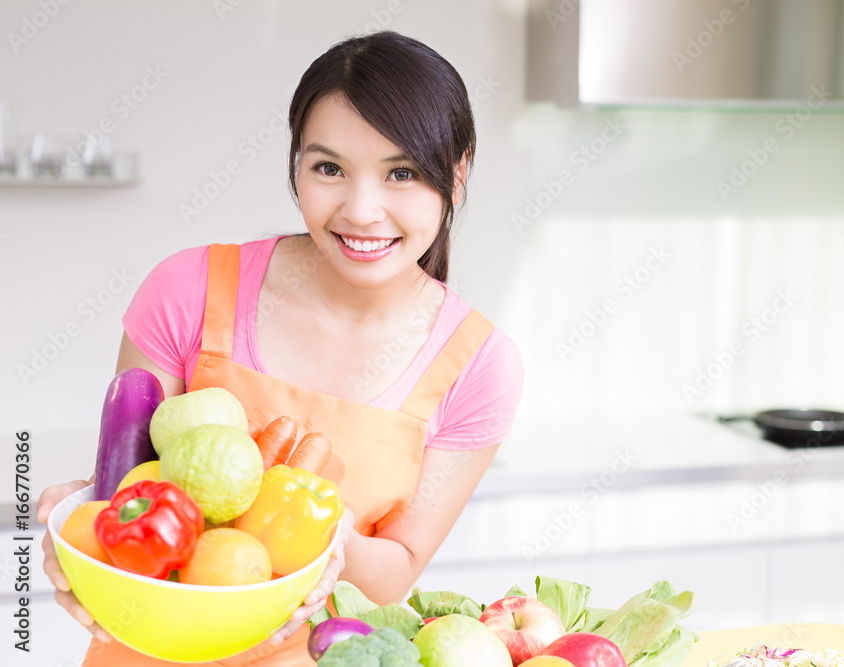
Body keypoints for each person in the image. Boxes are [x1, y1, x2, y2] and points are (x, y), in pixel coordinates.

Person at [37, 30, 524, 666]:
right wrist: (82, 529)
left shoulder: (479, 365)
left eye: (401, 172)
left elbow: (398, 571)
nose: (363, 210)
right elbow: (130, 486)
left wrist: (329, 541)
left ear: (456, 175)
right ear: (295, 164)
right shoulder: (186, 290)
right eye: (329, 169)